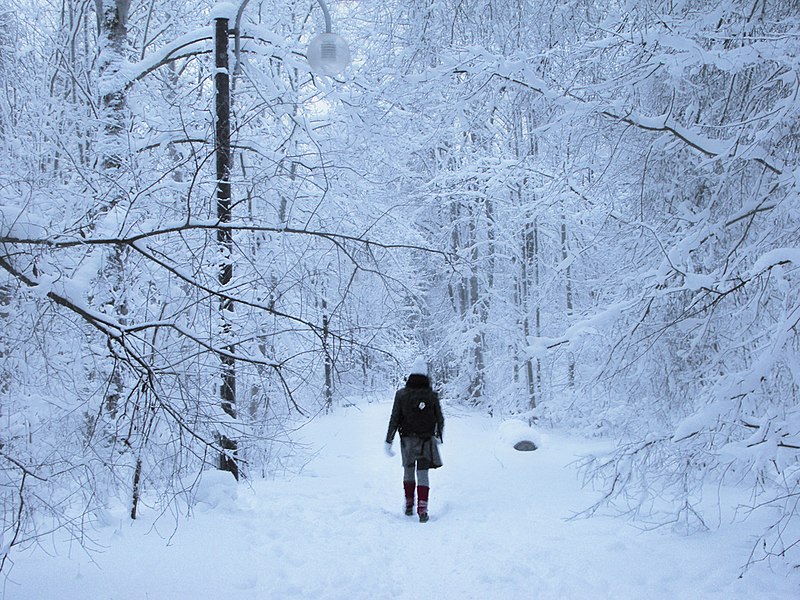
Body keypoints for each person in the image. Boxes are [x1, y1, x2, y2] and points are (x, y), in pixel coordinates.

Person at [385, 357, 444, 523]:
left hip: (407, 439)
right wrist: (439, 435)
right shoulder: (432, 395)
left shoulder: (401, 394)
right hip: (426, 439)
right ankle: (423, 508)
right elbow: (440, 417)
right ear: (425, 374)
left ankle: (409, 503)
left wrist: (388, 440)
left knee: (409, 470)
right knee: (423, 473)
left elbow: (394, 418)